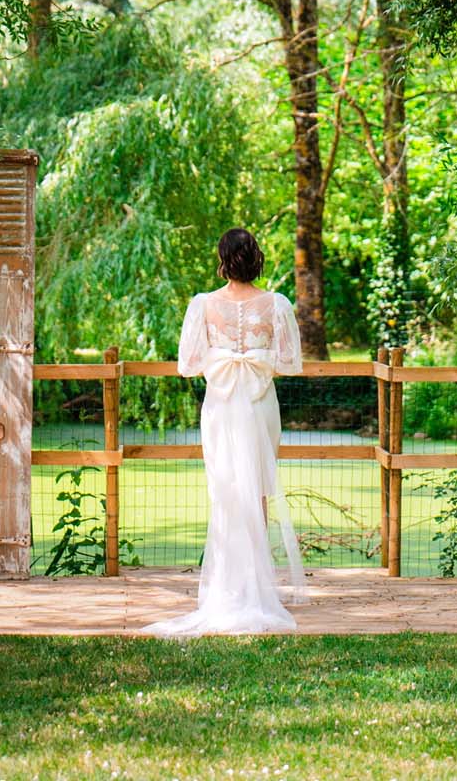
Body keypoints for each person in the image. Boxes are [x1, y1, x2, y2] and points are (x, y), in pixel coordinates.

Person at [143, 228, 307, 636]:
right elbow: (290, 363)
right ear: (256, 258)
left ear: (222, 259)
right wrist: (255, 357)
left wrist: (223, 358)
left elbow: (187, 364)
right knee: (258, 491)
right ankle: (255, 590)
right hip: (257, 402)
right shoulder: (277, 304)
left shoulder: (202, 305)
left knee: (227, 491)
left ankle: (230, 591)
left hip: (220, 404)